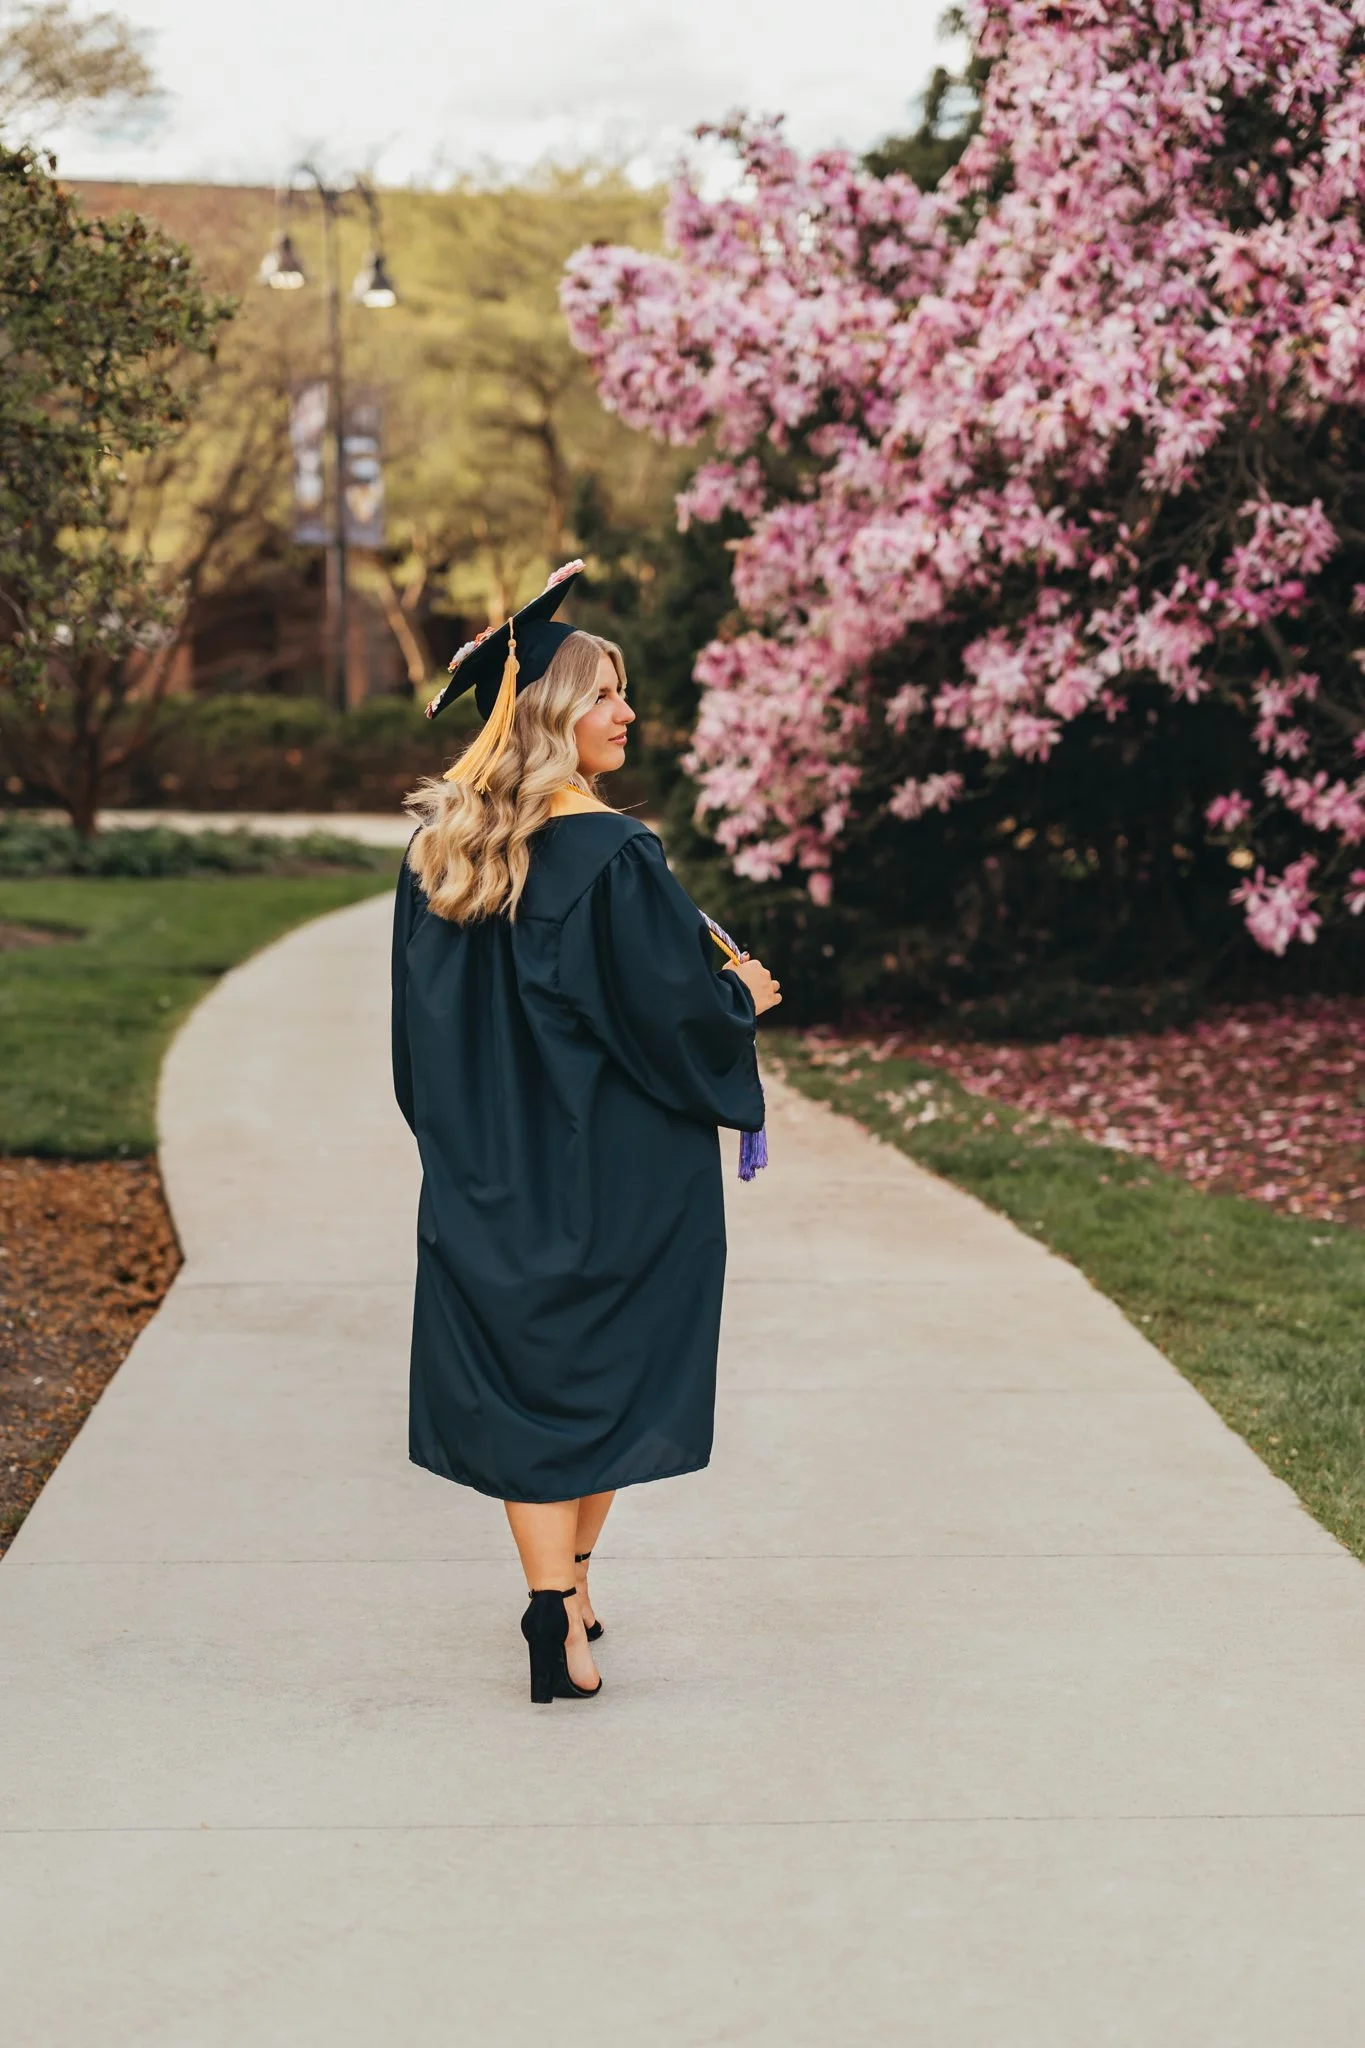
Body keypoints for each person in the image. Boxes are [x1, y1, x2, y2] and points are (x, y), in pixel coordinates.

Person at [391, 562, 782, 1704]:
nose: (627, 713)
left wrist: (466, 1156)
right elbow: (670, 1023)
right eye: (607, 693)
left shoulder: (438, 865)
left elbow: (418, 1057)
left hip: (487, 1173)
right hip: (617, 1177)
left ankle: (555, 1599)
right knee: (608, 1378)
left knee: (528, 1388)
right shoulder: (615, 859)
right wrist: (741, 1004)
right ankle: (571, 1595)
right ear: (554, 713)